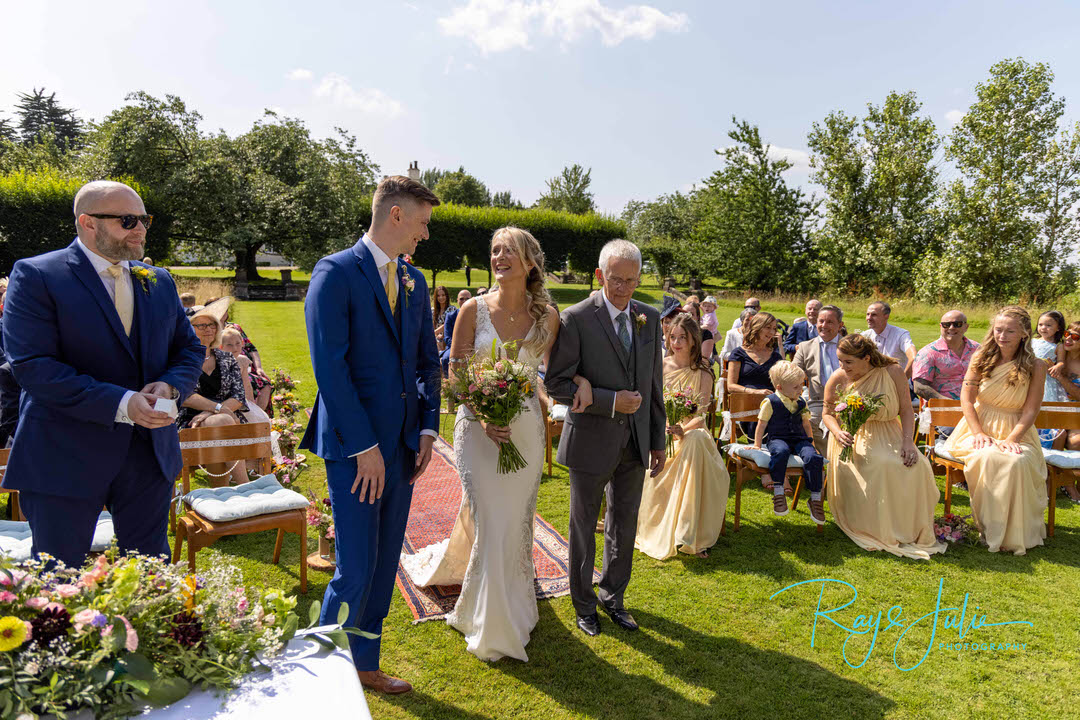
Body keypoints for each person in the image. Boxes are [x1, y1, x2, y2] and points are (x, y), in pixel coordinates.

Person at [0, 180, 203, 569]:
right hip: (64, 453)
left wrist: (171, 385)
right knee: (61, 577)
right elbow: (33, 366)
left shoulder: (157, 280)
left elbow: (189, 348)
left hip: (148, 455)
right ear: (87, 223)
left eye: (144, 219)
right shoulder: (36, 276)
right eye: (128, 220)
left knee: (151, 575)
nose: (140, 229)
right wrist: (123, 403)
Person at [300, 176, 442, 694]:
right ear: (397, 215)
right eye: (423, 222)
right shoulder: (335, 272)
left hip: (404, 447)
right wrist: (365, 449)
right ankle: (319, 677)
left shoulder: (414, 281)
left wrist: (428, 427)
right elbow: (330, 369)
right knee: (355, 567)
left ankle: (365, 665)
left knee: (383, 568)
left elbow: (428, 360)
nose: (425, 235)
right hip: (355, 449)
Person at [401, 226, 562, 662]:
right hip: (476, 425)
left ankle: (512, 600)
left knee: (515, 518)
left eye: (508, 251)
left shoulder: (548, 316)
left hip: (525, 429)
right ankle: (489, 619)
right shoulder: (472, 309)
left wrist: (547, 398)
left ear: (530, 261)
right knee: (491, 517)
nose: (498, 257)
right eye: (494, 251)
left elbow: (543, 374)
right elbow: (454, 372)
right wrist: (484, 413)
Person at [546, 239, 666, 637]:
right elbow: (558, 384)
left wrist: (658, 440)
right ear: (600, 275)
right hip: (590, 441)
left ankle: (613, 596)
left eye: (632, 281)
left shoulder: (650, 317)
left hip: (635, 442)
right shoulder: (576, 317)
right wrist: (610, 401)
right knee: (583, 525)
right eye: (616, 280)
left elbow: (654, 385)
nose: (624, 289)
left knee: (624, 525)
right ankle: (583, 604)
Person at [823, 335, 945, 560]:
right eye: (840, 360)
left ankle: (909, 528)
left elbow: (907, 410)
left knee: (919, 466)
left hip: (893, 432)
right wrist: (838, 432)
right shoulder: (839, 377)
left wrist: (909, 442)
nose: (842, 366)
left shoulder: (893, 372)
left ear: (866, 358)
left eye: (848, 362)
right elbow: (827, 414)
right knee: (883, 464)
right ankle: (879, 527)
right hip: (854, 436)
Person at [941, 307, 1047, 554]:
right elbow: (966, 400)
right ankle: (988, 528)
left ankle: (1014, 534)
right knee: (987, 456)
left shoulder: (1036, 366)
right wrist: (978, 433)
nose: (1002, 335)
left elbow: (1031, 410)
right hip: (977, 427)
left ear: (1024, 334)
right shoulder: (980, 358)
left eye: (1010, 331)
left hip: (1017, 429)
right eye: (998, 329)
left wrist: (1012, 438)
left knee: (1016, 461)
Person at [635, 313, 728, 560]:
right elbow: (651, 404)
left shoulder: (704, 371)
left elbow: (701, 416)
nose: (676, 343)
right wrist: (664, 426)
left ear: (694, 341)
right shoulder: (661, 366)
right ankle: (674, 528)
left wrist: (682, 430)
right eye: (672, 337)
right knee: (684, 443)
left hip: (692, 430)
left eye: (682, 338)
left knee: (695, 441)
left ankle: (690, 533)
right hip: (660, 427)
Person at [177, 299, 251, 486]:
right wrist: (218, 408)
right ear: (188, 328)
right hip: (190, 421)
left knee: (220, 424)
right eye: (201, 325)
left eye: (212, 324)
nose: (208, 328)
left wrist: (212, 410)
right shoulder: (181, 358)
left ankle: (220, 492)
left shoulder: (226, 358)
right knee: (223, 421)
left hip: (220, 419)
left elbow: (238, 396)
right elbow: (184, 395)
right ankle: (244, 484)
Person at [752, 361, 825, 524]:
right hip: (778, 438)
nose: (801, 390)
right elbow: (761, 424)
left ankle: (814, 498)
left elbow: (806, 424)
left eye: (802, 385)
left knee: (813, 457)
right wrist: (757, 445)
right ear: (779, 387)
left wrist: (811, 444)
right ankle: (779, 492)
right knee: (780, 452)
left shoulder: (801, 402)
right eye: (796, 387)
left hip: (799, 439)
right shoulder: (770, 402)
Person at [792, 304, 842, 455]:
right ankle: (832, 459)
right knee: (810, 420)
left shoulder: (851, 345)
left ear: (840, 325)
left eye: (830, 322)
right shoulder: (805, 347)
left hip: (848, 400)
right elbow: (791, 374)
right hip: (818, 402)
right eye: (821, 321)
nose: (823, 326)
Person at [727, 311, 782, 440]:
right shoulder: (738, 354)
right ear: (757, 327)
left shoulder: (775, 356)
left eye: (774, 328)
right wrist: (755, 392)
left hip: (770, 406)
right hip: (746, 405)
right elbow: (731, 386)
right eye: (768, 327)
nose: (772, 332)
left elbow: (781, 384)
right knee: (759, 411)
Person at [912, 311, 980, 401]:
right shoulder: (927, 353)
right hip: (941, 407)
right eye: (946, 325)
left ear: (966, 327)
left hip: (977, 404)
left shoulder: (978, 350)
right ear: (940, 326)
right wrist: (948, 402)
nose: (951, 328)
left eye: (957, 324)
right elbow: (920, 387)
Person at [1049, 322, 1080, 501]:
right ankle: (1065, 484)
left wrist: (1061, 377)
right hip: (1054, 408)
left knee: (1076, 441)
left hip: (1076, 412)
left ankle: (1072, 482)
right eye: (1067, 333)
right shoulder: (1055, 353)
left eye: (1075, 337)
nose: (1068, 338)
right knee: (1056, 436)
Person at [220, 327, 272, 424]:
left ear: (242, 343)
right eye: (229, 345)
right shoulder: (220, 363)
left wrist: (252, 406)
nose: (235, 348)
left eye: (237, 344)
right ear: (221, 347)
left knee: (258, 419)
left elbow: (246, 384)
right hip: (226, 402)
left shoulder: (242, 361)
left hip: (241, 401)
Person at [862, 301, 916, 377]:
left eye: (874, 315)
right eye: (868, 314)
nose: (869, 318)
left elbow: (914, 358)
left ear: (886, 316)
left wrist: (902, 380)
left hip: (895, 384)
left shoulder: (901, 335)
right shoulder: (864, 336)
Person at [439, 289, 471, 375]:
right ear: (457, 300)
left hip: (472, 347)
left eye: (467, 299)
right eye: (461, 299)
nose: (464, 301)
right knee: (446, 358)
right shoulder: (450, 316)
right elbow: (447, 337)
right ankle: (448, 382)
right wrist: (457, 348)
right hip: (453, 347)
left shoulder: (476, 316)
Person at [432, 285, 452, 353]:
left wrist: (435, 332)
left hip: (447, 337)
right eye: (438, 295)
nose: (441, 297)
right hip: (435, 338)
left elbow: (447, 323)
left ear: (446, 296)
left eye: (443, 295)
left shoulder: (452, 309)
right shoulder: (433, 311)